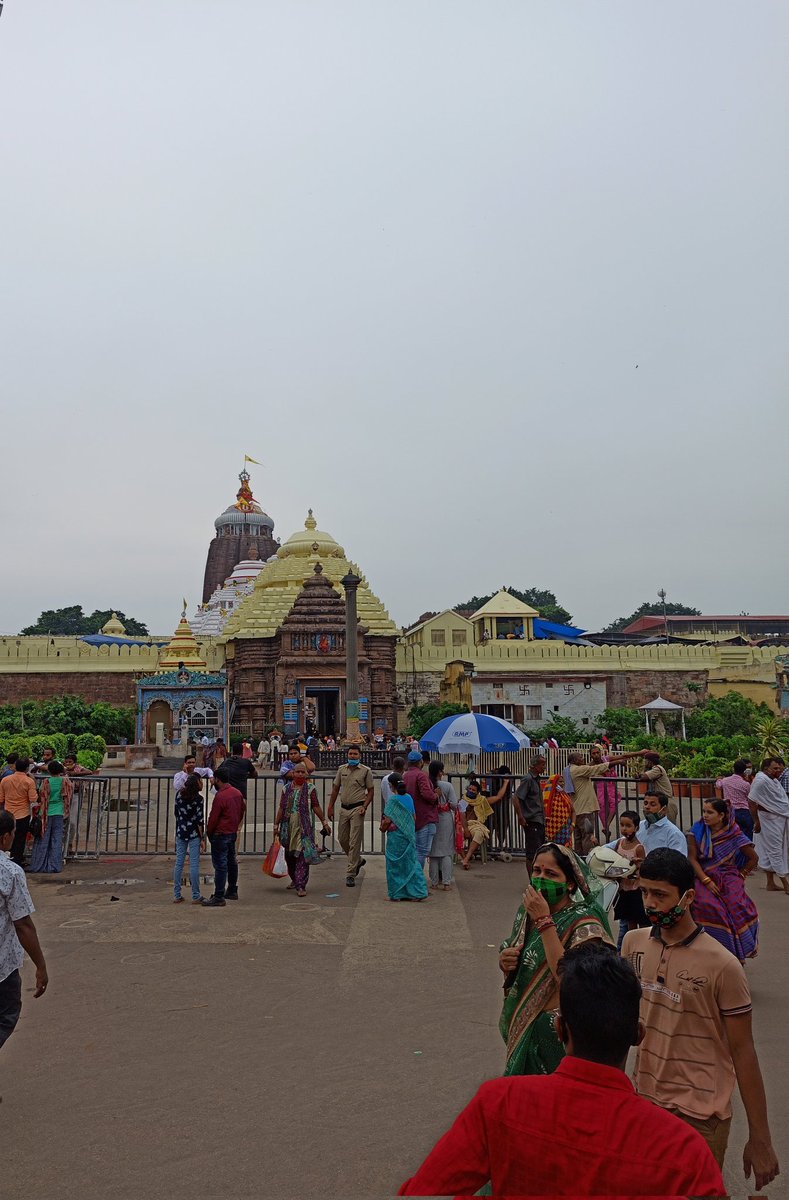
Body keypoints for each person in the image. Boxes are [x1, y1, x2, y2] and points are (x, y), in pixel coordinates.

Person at [399, 943, 724, 1199]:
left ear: (559, 1029)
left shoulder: (500, 1103)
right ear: (638, 1035)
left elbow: (424, 1191)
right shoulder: (683, 1149)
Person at [623, 847, 779, 1185]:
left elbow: (743, 1051)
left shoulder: (723, 964)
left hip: (701, 1116)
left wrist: (760, 1138)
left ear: (688, 897)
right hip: (644, 1103)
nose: (649, 903)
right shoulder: (632, 944)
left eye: (661, 895)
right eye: (645, 891)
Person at [498, 842, 612, 1075]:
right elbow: (524, 955)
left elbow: (571, 979)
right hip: (525, 1024)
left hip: (560, 1033)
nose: (540, 878)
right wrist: (506, 960)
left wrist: (544, 922)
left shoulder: (585, 922)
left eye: (551, 874)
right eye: (537, 871)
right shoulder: (527, 911)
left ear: (570, 883)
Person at [0, 810, 49, 1053]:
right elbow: (23, 924)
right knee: (7, 1015)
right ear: (5, 838)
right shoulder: (9, 872)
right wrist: (40, 965)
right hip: (2, 966)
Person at [686, 798, 759, 962]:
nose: (705, 815)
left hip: (728, 875)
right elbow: (692, 859)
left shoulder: (733, 833)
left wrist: (741, 875)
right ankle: (708, 953)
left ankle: (735, 954)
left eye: (710, 812)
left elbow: (753, 858)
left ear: (722, 815)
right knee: (707, 905)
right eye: (704, 811)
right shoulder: (696, 831)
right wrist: (706, 880)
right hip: (703, 874)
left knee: (736, 906)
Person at [568, 749, 644, 856]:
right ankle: (587, 859)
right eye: (580, 757)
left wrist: (638, 753)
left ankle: (579, 859)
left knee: (578, 837)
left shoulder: (568, 770)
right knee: (587, 836)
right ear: (575, 760)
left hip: (577, 809)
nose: (583, 758)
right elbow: (597, 768)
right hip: (584, 807)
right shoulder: (579, 769)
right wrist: (618, 762)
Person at [275, 762, 330, 897]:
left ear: (306, 774)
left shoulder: (311, 789)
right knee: (289, 855)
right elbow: (282, 808)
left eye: (302, 772)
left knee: (302, 856)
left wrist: (324, 822)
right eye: (297, 772)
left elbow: (316, 806)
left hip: (304, 828)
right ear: (292, 773)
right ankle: (294, 879)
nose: (300, 774)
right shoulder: (286, 788)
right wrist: (276, 826)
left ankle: (301, 885)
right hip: (287, 827)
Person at [327, 744, 374, 888]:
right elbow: (335, 789)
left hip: (357, 809)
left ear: (360, 756)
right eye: (351, 754)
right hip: (343, 809)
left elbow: (371, 791)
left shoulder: (366, 771)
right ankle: (357, 860)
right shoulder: (342, 770)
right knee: (342, 838)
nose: (352, 756)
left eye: (355, 754)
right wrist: (330, 806)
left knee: (354, 841)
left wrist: (364, 806)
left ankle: (350, 873)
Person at [202, 766, 246, 907]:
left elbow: (213, 818)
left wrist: (209, 832)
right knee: (231, 861)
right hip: (231, 832)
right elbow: (241, 812)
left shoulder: (220, 796)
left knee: (220, 865)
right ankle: (232, 889)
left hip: (220, 833)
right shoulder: (237, 793)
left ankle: (219, 895)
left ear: (217, 780)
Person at [380, 777, 429, 902]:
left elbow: (387, 820)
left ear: (391, 786)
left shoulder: (393, 801)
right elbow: (413, 816)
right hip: (408, 836)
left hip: (396, 837)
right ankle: (418, 892)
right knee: (411, 863)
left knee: (395, 865)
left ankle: (396, 893)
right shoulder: (409, 798)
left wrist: (382, 828)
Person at [605, 810, 647, 950]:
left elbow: (642, 869)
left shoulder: (639, 848)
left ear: (636, 828)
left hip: (635, 890)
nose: (624, 829)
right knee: (629, 921)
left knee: (640, 920)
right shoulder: (620, 843)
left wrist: (636, 868)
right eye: (622, 825)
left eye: (628, 825)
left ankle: (642, 947)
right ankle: (630, 948)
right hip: (623, 890)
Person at [749, 756, 789, 892]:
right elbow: (752, 802)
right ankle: (786, 884)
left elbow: (779, 801)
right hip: (768, 820)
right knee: (775, 850)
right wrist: (756, 821)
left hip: (777, 819)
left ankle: (770, 883)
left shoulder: (773, 780)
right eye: (775, 768)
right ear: (766, 769)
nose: (778, 770)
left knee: (769, 850)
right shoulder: (761, 781)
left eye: (779, 768)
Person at [28, 761, 73, 874]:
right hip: (60, 812)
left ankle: (39, 865)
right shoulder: (65, 781)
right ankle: (55, 866)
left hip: (46, 813)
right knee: (57, 839)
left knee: (43, 838)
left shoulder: (46, 782)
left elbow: (41, 796)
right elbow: (69, 794)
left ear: (49, 770)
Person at [403, 749, 439, 868]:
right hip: (425, 816)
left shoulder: (405, 775)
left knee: (414, 850)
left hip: (411, 817)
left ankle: (412, 876)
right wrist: (436, 796)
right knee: (422, 851)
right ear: (420, 762)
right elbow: (427, 794)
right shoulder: (421, 775)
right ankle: (417, 878)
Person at [173, 773, 205, 904]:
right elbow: (199, 820)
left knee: (179, 862)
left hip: (181, 831)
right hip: (193, 833)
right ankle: (196, 894)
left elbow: (176, 813)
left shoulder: (179, 795)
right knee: (194, 864)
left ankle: (177, 894)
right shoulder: (198, 799)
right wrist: (202, 838)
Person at [0, 757, 38, 867]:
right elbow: (33, 799)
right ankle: (16, 863)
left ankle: (5, 863)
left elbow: (1, 799)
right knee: (20, 841)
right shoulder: (29, 781)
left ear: (15, 767)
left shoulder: (5, 780)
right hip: (23, 815)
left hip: (8, 814)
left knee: (5, 840)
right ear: (27, 768)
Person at [427, 761, 458, 890]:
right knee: (446, 852)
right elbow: (454, 804)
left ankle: (434, 882)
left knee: (433, 852)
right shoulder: (447, 786)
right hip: (445, 819)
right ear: (440, 772)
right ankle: (446, 882)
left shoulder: (427, 784)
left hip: (431, 819)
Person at [512, 755, 546, 870]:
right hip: (532, 820)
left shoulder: (536, 779)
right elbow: (516, 798)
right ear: (535, 766)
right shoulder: (528, 779)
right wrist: (520, 817)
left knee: (538, 851)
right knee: (532, 853)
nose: (544, 767)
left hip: (539, 819)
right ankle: (532, 881)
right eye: (542, 765)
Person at [716, 758, 754, 838]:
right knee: (746, 835)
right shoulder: (746, 784)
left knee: (733, 835)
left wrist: (719, 779)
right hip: (744, 811)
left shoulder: (725, 780)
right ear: (744, 771)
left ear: (734, 769)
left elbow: (718, 785)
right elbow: (750, 797)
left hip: (730, 811)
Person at [637, 750, 678, 823]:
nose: (644, 763)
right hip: (660, 801)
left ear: (650, 761)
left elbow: (644, 777)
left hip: (666, 802)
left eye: (645, 761)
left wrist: (639, 774)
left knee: (667, 827)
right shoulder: (654, 769)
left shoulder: (657, 769)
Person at [590, 743, 619, 835]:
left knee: (613, 804)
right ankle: (605, 827)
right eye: (593, 753)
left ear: (601, 752)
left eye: (597, 752)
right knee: (602, 807)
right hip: (600, 788)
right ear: (590, 755)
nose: (596, 755)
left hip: (611, 786)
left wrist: (639, 753)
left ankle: (606, 825)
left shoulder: (606, 759)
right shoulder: (590, 765)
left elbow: (624, 756)